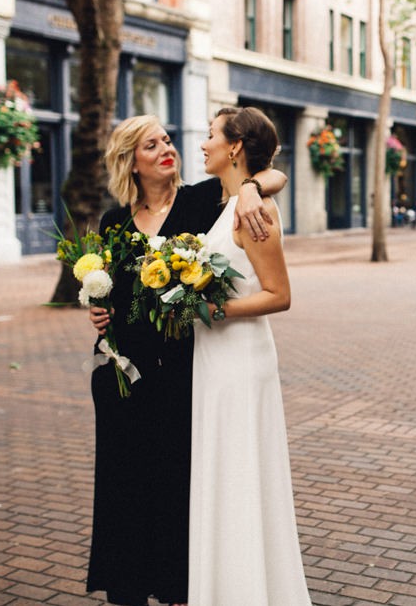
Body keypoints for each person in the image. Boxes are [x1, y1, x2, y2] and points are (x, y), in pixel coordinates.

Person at [86, 114, 286, 606]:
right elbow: (114, 291)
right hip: (124, 377)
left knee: (176, 490)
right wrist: (96, 308)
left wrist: (254, 190)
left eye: (169, 140)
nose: (167, 149)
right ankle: (127, 587)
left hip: (183, 376)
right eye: (152, 145)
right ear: (131, 161)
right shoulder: (115, 223)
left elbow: (270, 172)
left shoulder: (201, 201)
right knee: (125, 489)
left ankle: (178, 588)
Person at [189, 107, 311, 604]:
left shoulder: (252, 210)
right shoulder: (231, 201)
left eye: (211, 135)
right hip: (215, 360)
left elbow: (279, 294)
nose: (203, 143)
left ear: (235, 146)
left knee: (242, 477)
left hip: (239, 360)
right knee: (223, 477)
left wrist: (216, 308)